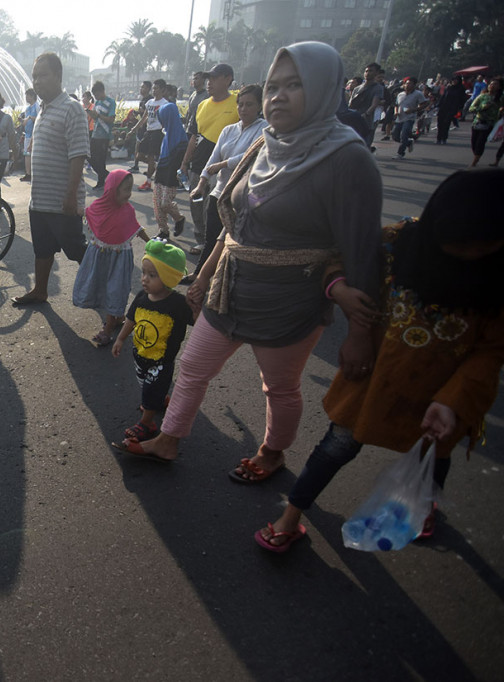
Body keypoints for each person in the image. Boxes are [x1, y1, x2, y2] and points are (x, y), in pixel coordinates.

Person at [115, 42, 382, 470]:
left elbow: (363, 252)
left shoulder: (348, 160)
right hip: (229, 290)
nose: (278, 95)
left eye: (294, 85)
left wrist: (360, 334)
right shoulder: (263, 147)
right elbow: (235, 226)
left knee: (278, 387)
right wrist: (202, 277)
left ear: (324, 89)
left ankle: (272, 453)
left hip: (290, 301)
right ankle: (168, 439)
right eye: (273, 86)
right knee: (193, 366)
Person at [255, 169, 504, 551]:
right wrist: (341, 296)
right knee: (336, 446)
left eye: (480, 246)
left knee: (434, 453)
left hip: (442, 392)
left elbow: (491, 350)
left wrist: (454, 401)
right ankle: (291, 514)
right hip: (374, 375)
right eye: (456, 242)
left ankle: (423, 505)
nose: (465, 254)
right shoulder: (396, 243)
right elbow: (337, 260)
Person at [11, 52, 89, 306]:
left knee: (78, 250)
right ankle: (40, 291)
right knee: (42, 250)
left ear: (58, 76)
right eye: (34, 76)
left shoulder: (72, 108)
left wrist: (70, 196)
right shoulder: (42, 109)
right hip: (40, 200)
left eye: (43, 75)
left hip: (62, 201)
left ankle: (106, 295)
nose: (37, 81)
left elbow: (78, 156)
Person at [110, 240, 193, 446]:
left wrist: (197, 304)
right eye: (144, 273)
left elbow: (199, 322)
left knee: (149, 390)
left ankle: (147, 424)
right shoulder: (142, 296)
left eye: (152, 275)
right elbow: (131, 318)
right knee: (145, 383)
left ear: (168, 278)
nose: (144, 279)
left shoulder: (178, 304)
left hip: (161, 361)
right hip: (141, 355)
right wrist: (120, 338)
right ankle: (159, 400)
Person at [187, 84, 267, 283]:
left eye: (249, 104)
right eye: (240, 104)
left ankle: (221, 279)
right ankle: (199, 276)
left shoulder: (265, 129)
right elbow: (212, 159)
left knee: (234, 243)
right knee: (212, 238)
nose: (243, 109)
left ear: (260, 106)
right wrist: (202, 183)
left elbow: (250, 156)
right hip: (220, 191)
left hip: (243, 196)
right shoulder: (228, 130)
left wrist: (223, 164)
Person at [72, 169, 149, 346]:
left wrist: (151, 243)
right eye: (125, 189)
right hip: (99, 257)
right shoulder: (99, 206)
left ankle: (108, 329)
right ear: (112, 189)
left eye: (130, 189)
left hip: (120, 259)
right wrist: (73, 209)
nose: (129, 194)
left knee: (114, 289)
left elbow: (136, 228)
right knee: (103, 288)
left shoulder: (127, 210)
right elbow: (86, 212)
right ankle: (117, 317)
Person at [181, 64, 239, 255]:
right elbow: (194, 136)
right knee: (196, 203)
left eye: (214, 78)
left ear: (228, 79)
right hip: (199, 164)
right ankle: (201, 240)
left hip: (224, 168)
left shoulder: (239, 104)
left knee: (213, 209)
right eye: (208, 79)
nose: (209, 83)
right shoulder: (202, 105)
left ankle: (215, 245)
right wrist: (184, 162)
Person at [151, 83, 188, 240]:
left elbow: (182, 161)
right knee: (158, 203)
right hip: (162, 172)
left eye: (163, 118)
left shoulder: (181, 140)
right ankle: (163, 231)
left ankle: (179, 218)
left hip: (172, 175)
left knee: (166, 203)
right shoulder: (166, 136)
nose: (162, 122)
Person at [183, 71, 210, 247]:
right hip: (196, 155)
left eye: (198, 78)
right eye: (193, 78)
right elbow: (192, 129)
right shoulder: (195, 97)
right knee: (196, 199)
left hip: (213, 161)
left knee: (210, 204)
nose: (195, 80)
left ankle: (211, 240)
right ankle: (201, 238)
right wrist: (185, 162)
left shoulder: (209, 98)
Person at [132, 79, 167, 192]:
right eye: (153, 88)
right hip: (148, 131)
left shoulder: (165, 104)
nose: (154, 90)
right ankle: (157, 167)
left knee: (151, 156)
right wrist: (134, 129)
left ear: (162, 89)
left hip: (158, 132)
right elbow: (144, 118)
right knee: (139, 156)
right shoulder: (150, 103)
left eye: (156, 88)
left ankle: (148, 182)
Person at [86, 81, 116, 190]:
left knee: (101, 159)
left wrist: (98, 115)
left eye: (97, 95)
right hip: (95, 133)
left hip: (104, 134)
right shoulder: (97, 103)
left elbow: (111, 119)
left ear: (102, 91)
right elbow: (96, 118)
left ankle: (101, 180)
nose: (96, 97)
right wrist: (92, 114)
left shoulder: (111, 102)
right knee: (88, 155)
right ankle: (106, 175)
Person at [348, 62, 384, 150]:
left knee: (364, 146)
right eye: (366, 71)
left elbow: (374, 104)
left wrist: (366, 114)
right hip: (354, 120)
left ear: (376, 73)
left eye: (371, 71)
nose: (367, 73)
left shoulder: (377, 88)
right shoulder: (357, 89)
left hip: (366, 122)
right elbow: (350, 105)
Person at [468, 77, 502, 167]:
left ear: (499, 87)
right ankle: (476, 155)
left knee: (481, 142)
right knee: (474, 143)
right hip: (477, 122)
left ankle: (474, 162)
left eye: (495, 84)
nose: (492, 86)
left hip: (489, 123)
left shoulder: (500, 98)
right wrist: (482, 107)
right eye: (491, 84)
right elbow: (471, 108)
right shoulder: (482, 96)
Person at [393, 77, 425, 159]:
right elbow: (396, 105)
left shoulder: (418, 94)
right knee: (395, 136)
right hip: (399, 118)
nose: (407, 85)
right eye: (406, 83)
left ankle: (400, 153)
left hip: (409, 118)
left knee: (404, 135)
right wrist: (396, 112)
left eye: (410, 84)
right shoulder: (400, 94)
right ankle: (408, 143)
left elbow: (424, 104)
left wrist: (413, 110)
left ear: (414, 85)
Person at [126, 81, 152, 175]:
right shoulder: (142, 100)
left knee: (146, 153)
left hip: (147, 129)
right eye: (141, 87)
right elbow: (142, 114)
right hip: (141, 128)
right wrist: (137, 113)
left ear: (149, 89)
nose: (141, 89)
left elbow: (147, 115)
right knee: (137, 148)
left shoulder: (150, 100)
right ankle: (136, 166)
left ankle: (153, 166)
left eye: (143, 87)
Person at [435, 76, 467, 144]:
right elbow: (443, 97)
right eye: (453, 80)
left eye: (456, 80)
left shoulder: (461, 89)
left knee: (446, 123)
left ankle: (444, 138)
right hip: (443, 107)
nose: (454, 81)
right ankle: (438, 138)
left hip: (452, 108)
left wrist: (460, 109)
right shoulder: (449, 88)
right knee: (440, 123)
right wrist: (438, 105)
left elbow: (462, 100)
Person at [19, 88, 37, 182]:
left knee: (33, 154)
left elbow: (39, 119)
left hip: (35, 135)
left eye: (27, 95)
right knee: (27, 154)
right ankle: (28, 173)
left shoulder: (36, 107)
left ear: (32, 96)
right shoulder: (27, 109)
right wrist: (21, 121)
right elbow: (25, 123)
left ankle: (33, 173)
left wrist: (30, 117)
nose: (26, 97)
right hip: (27, 135)